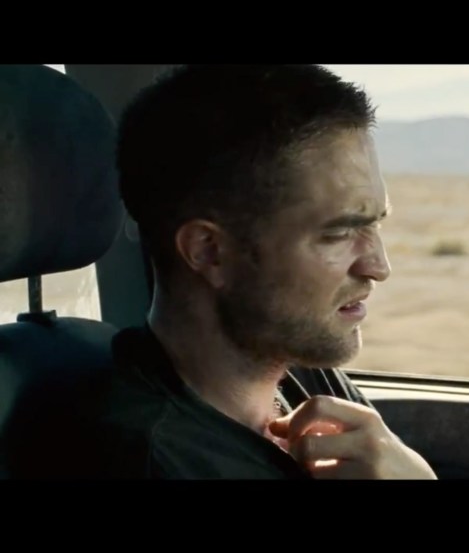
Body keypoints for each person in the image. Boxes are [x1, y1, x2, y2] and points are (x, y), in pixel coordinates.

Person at [64, 64, 437, 479]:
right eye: (339, 233)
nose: (378, 267)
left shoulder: (296, 366)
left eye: (374, 224)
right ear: (209, 251)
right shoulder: (157, 460)